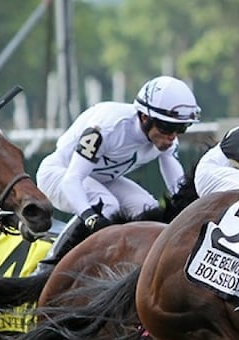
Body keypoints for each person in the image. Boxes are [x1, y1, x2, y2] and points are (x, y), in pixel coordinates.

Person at [35, 75, 200, 270]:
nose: (172, 136)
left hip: (103, 179)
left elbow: (177, 188)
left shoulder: (166, 137)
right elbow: (72, 180)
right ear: (145, 117)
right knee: (107, 205)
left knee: (148, 208)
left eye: (181, 128)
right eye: (167, 127)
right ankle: (47, 267)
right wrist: (90, 218)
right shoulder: (108, 127)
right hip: (59, 174)